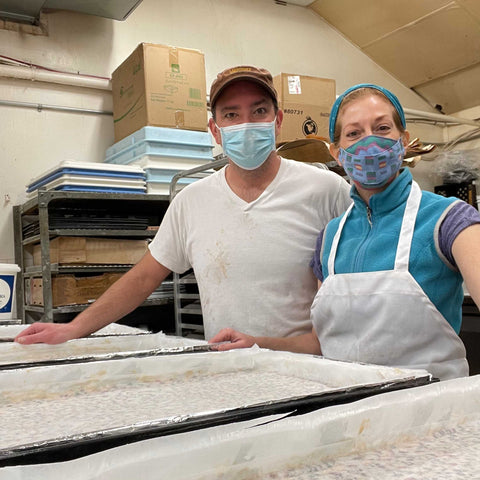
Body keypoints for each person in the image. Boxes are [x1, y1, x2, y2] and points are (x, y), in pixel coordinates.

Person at [15, 65, 351, 345]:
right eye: (231, 115)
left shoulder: (327, 189)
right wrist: (75, 327)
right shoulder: (191, 202)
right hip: (227, 371)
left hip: (309, 372)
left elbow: (354, 288)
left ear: (277, 121)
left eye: (259, 111)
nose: (246, 124)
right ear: (215, 131)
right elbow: (143, 278)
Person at [211, 83, 480, 381]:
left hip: (432, 415)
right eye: (354, 133)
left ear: (403, 141)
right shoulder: (330, 239)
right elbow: (319, 343)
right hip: (351, 414)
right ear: (337, 153)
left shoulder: (450, 220)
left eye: (382, 128)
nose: (370, 143)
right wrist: (257, 344)